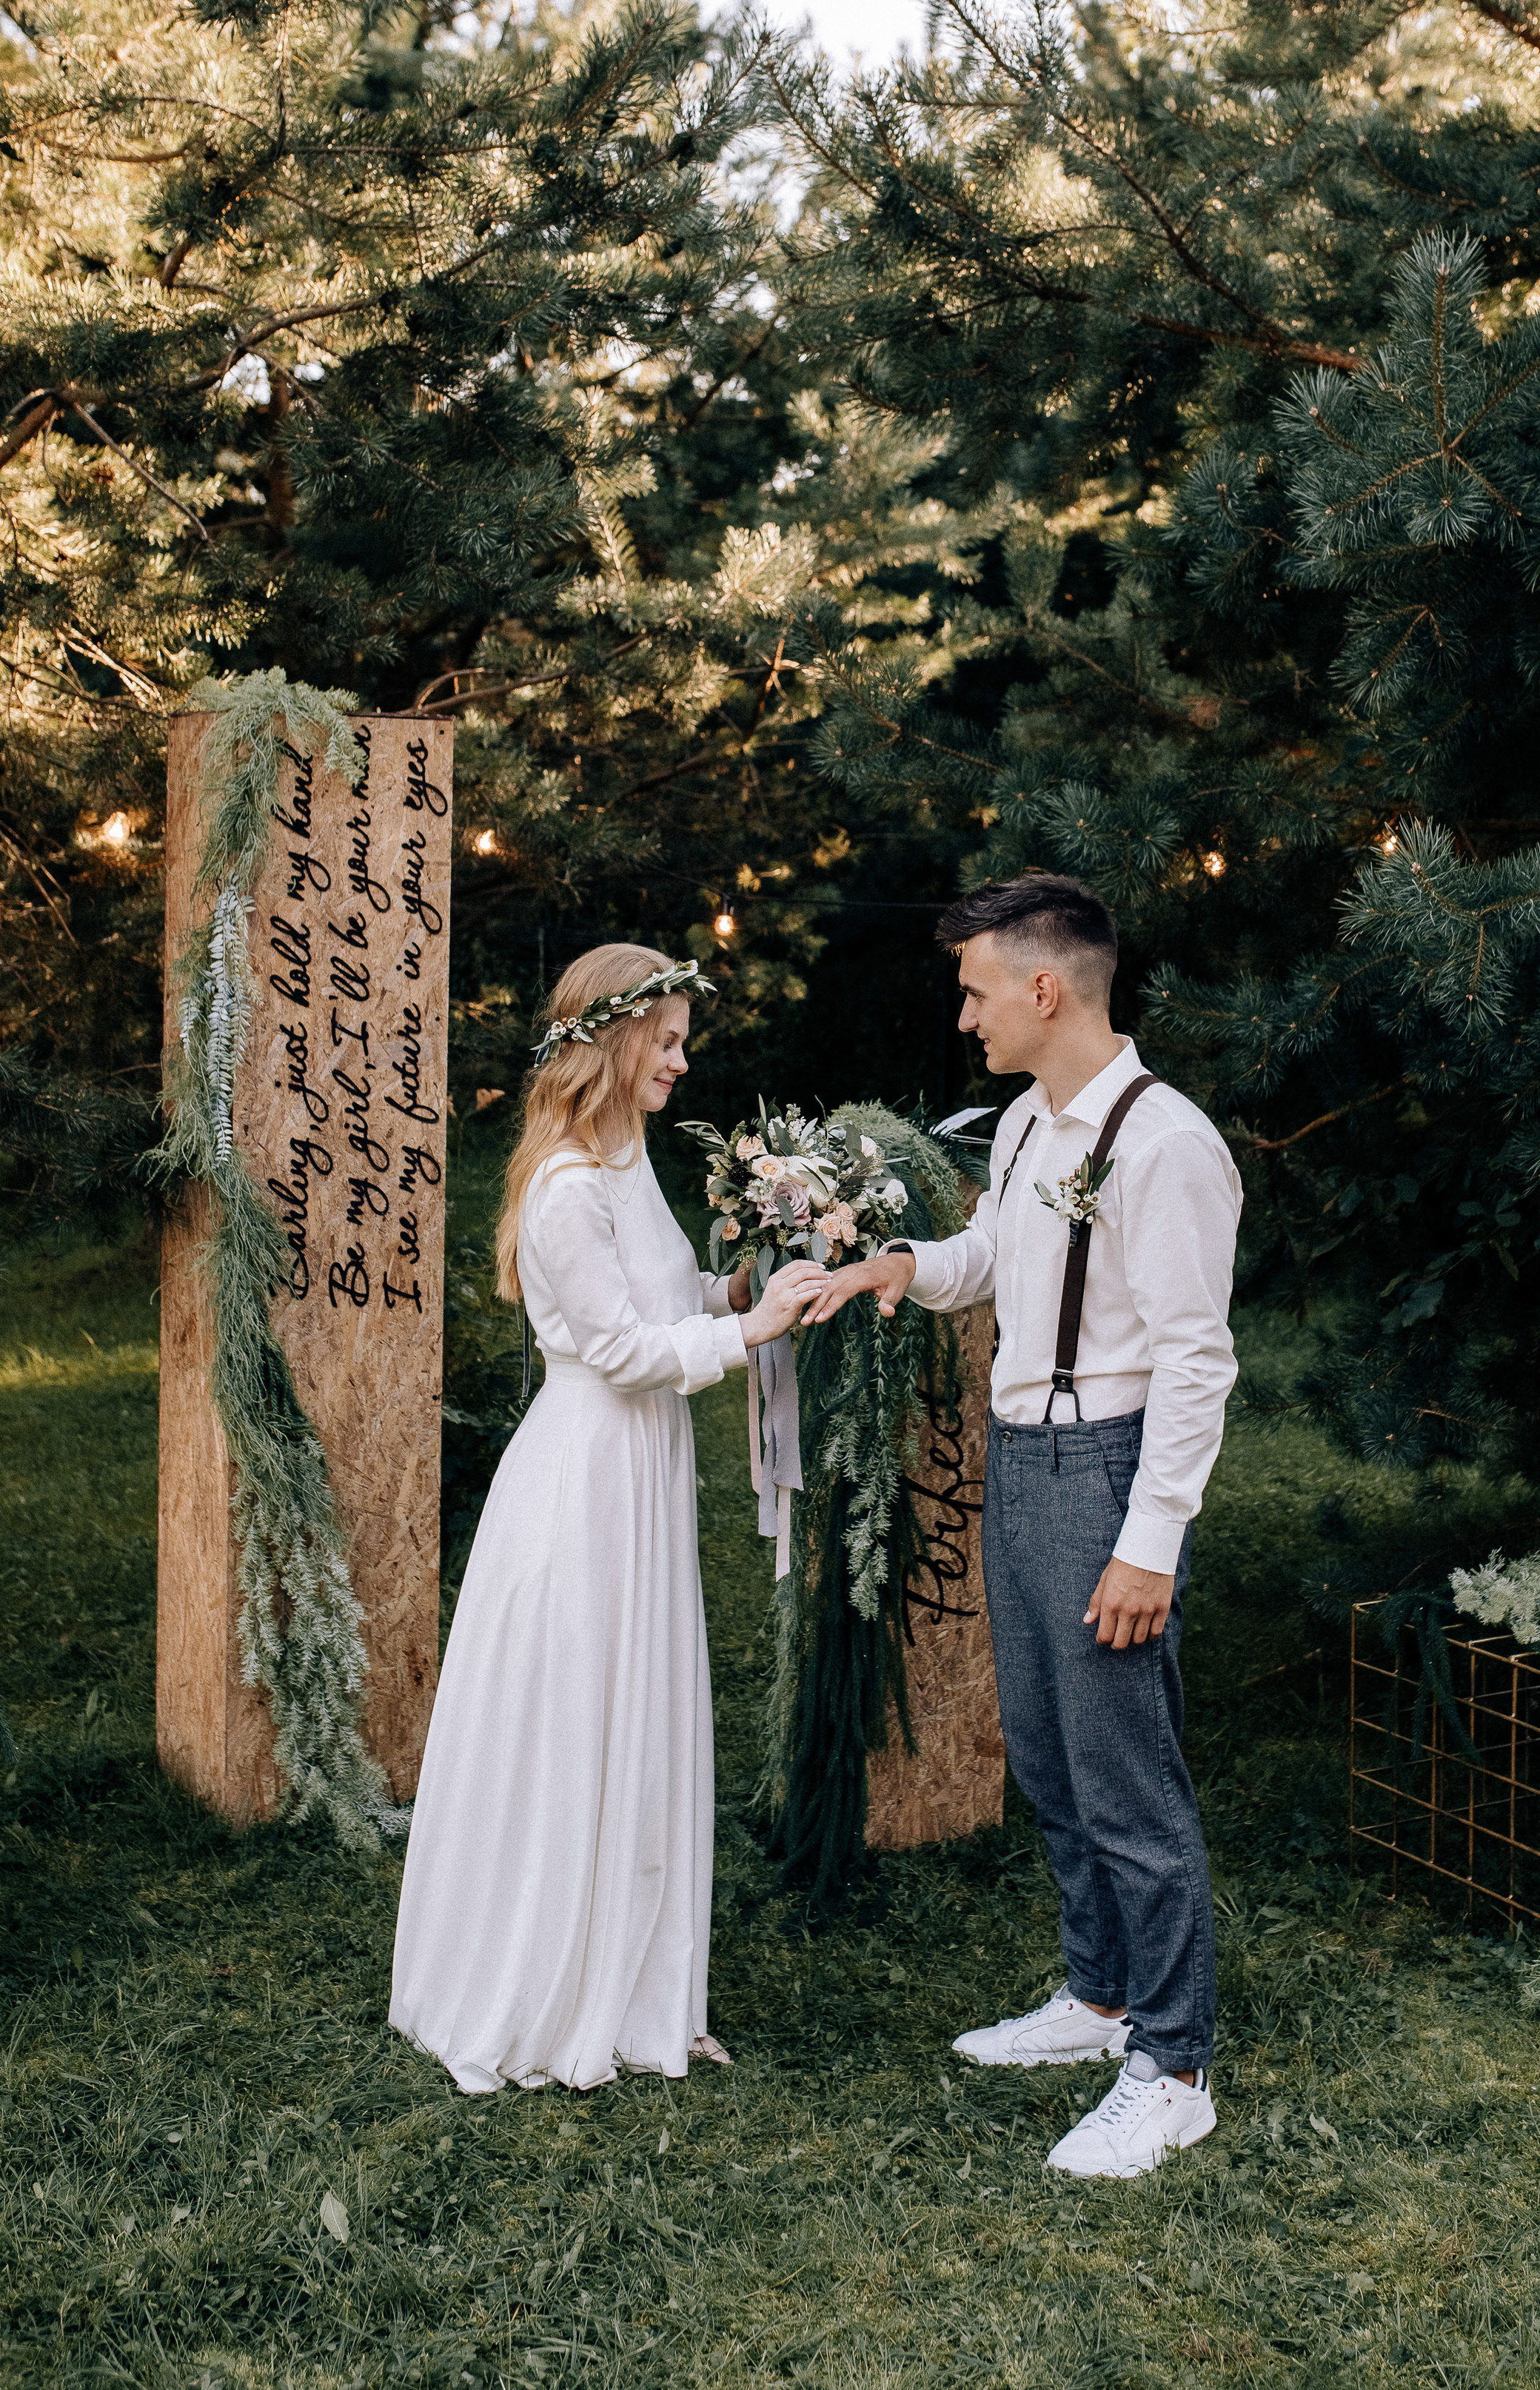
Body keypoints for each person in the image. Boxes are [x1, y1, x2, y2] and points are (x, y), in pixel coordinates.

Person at [805, 876, 1241, 2179]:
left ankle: (1173, 2065)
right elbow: (996, 1255)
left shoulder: (1166, 1145)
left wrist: (1149, 1540)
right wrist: (906, 1266)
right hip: (1023, 1459)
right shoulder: (1020, 1129)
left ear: (1045, 990)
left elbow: (1196, 1362)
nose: (965, 1015)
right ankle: (1099, 2001)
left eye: (977, 991)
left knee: (1126, 1777)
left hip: (1106, 1471)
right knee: (1048, 1754)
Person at [389, 942, 827, 2095]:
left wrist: (738, 1286)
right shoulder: (566, 1187)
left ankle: (638, 1976)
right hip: (587, 1472)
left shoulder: (626, 1162)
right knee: (580, 1707)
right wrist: (756, 1331)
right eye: (666, 1040)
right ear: (612, 1040)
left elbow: (660, 1300)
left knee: (641, 1703)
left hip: (642, 1468)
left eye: (685, 1041)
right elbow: (625, 1353)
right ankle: (545, 1979)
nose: (681, 1061)